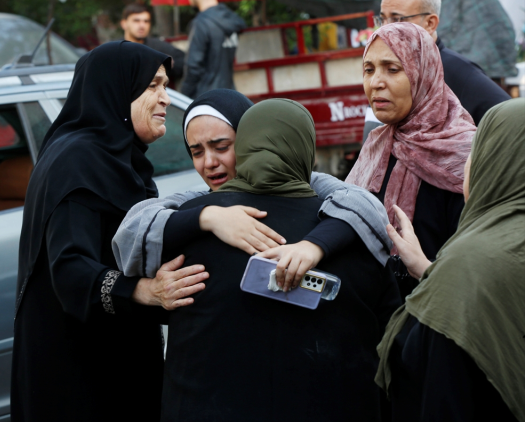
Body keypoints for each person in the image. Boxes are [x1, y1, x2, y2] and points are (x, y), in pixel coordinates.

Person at [159, 99, 401, 421]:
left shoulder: (185, 224)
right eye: (197, 151)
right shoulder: (355, 230)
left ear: (242, 147)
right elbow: (394, 341)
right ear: (306, 150)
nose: (210, 163)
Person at [11, 42, 209, 421]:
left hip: (108, 355)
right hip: (81, 373)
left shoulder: (112, 156)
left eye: (165, 85)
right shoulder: (80, 160)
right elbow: (70, 269)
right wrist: (146, 291)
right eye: (152, 86)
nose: (166, 98)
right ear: (115, 89)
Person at [113, 88, 393, 293]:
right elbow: (133, 227)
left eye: (222, 147)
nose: (209, 163)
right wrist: (209, 217)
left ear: (251, 139)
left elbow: (365, 205)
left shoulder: (309, 183)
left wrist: (313, 246)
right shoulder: (199, 200)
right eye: (196, 152)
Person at [377, 98, 525, 422]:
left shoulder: (469, 262)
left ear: (493, 162)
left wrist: (447, 275)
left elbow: (439, 386)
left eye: (474, 152)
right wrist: (432, 272)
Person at [347, 22, 475, 298]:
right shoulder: (376, 146)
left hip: (442, 315)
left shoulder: (464, 153)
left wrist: (426, 271)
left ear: (424, 73)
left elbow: (477, 267)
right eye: (368, 70)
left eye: (392, 69)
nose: (376, 82)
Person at [363, 0, 510, 141]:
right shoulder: (379, 74)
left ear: (430, 23)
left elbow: (511, 122)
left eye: (397, 20)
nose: (386, 29)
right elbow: (371, 134)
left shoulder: (458, 72)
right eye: (381, 20)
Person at [181, 0, 246, 98]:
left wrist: (184, 96)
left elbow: (193, 67)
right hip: (230, 93)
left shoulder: (201, 23)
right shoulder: (231, 20)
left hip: (207, 98)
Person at [120, 4, 185, 84]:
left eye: (146, 21)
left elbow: (184, 61)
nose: (142, 25)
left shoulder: (158, 46)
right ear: (124, 24)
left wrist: (167, 65)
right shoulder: (114, 49)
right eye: (136, 20)